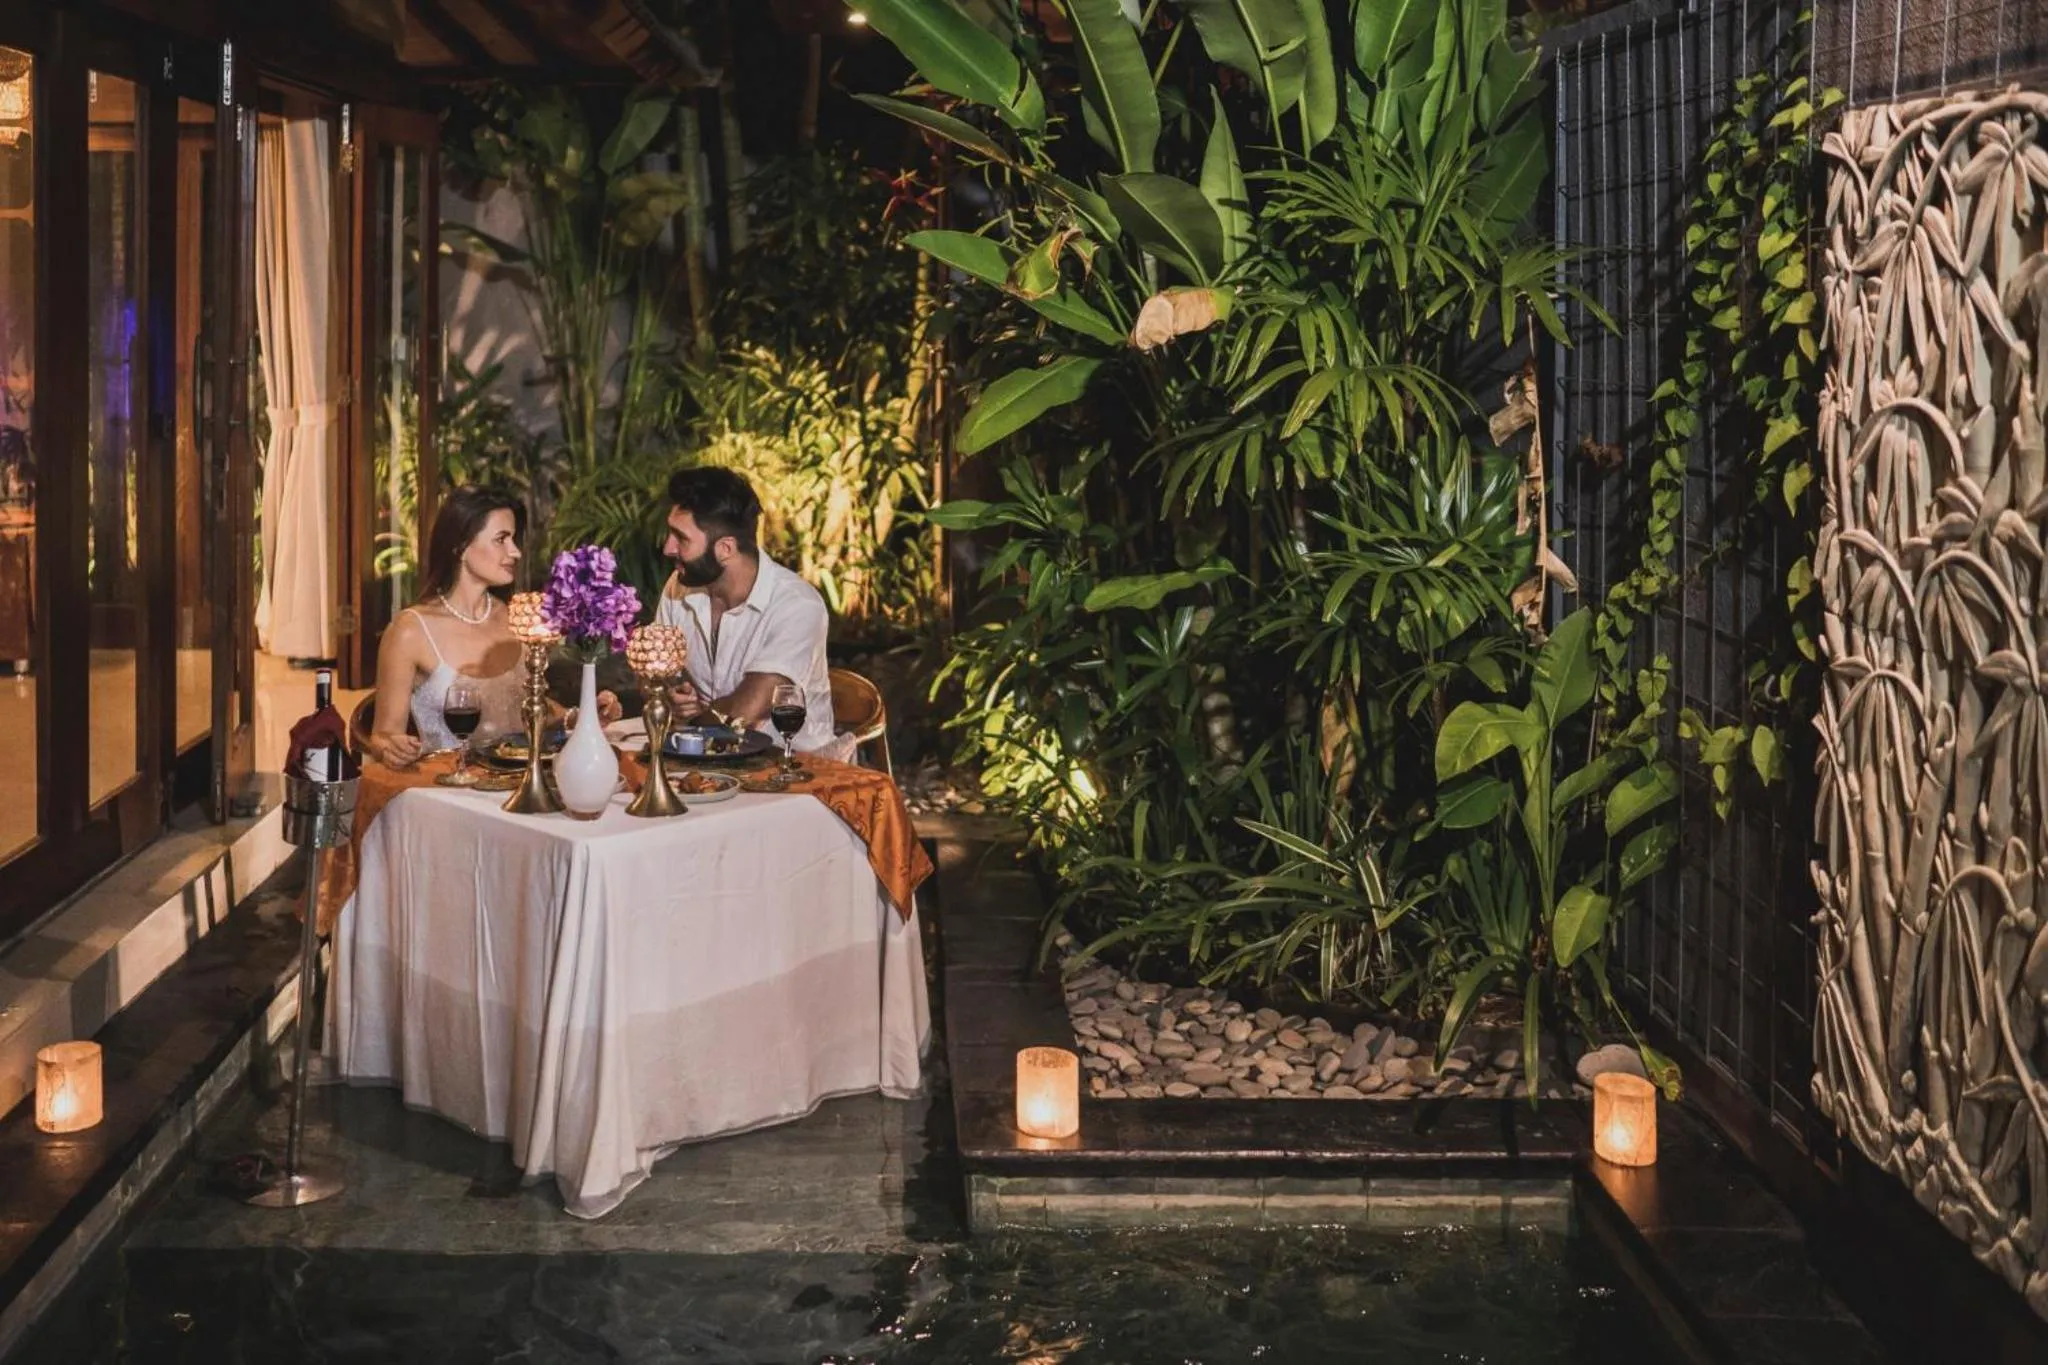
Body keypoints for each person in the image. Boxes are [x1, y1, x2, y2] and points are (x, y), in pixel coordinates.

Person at [648, 466, 836, 750]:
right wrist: (668, 694)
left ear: (725, 548)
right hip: (711, 759)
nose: (667, 548)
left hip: (795, 769)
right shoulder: (679, 587)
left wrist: (697, 719)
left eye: (681, 538)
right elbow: (651, 673)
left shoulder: (797, 605)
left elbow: (746, 710)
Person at [364, 486, 530, 767]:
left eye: (514, 539)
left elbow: (525, 708)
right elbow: (382, 736)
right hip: (447, 792)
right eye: (501, 539)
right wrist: (392, 747)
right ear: (461, 547)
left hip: (518, 786)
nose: (515, 552)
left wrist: (579, 714)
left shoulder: (519, 618)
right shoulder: (411, 630)